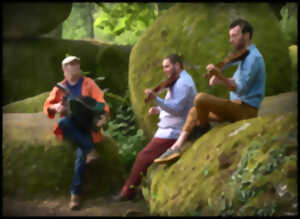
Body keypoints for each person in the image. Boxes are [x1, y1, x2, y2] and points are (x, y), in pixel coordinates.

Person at [155, 18, 266, 164]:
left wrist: (219, 75)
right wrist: (220, 79)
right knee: (194, 111)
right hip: (235, 107)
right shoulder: (245, 56)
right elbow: (237, 82)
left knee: (200, 98)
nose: (230, 40)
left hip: (246, 110)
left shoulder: (253, 58)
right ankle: (176, 147)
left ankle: (202, 128)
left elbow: (241, 88)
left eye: (234, 35)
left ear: (246, 35)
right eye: (230, 36)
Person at [113, 54, 197, 201]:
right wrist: (159, 110)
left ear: (177, 65)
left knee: (143, 157)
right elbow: (177, 106)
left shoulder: (183, 82)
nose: (164, 70)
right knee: (145, 158)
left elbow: (177, 109)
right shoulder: (176, 81)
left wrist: (156, 99)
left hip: (174, 132)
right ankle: (135, 188)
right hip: (168, 129)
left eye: (167, 66)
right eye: (163, 66)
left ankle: (127, 193)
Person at [43, 56, 110, 210]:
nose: (75, 66)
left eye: (77, 64)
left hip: (87, 127)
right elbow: (47, 105)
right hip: (71, 126)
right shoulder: (60, 88)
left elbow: (101, 102)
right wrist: (56, 107)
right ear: (64, 69)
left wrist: (103, 117)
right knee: (62, 123)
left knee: (81, 156)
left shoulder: (89, 83)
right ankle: (90, 150)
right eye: (71, 65)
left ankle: (75, 194)